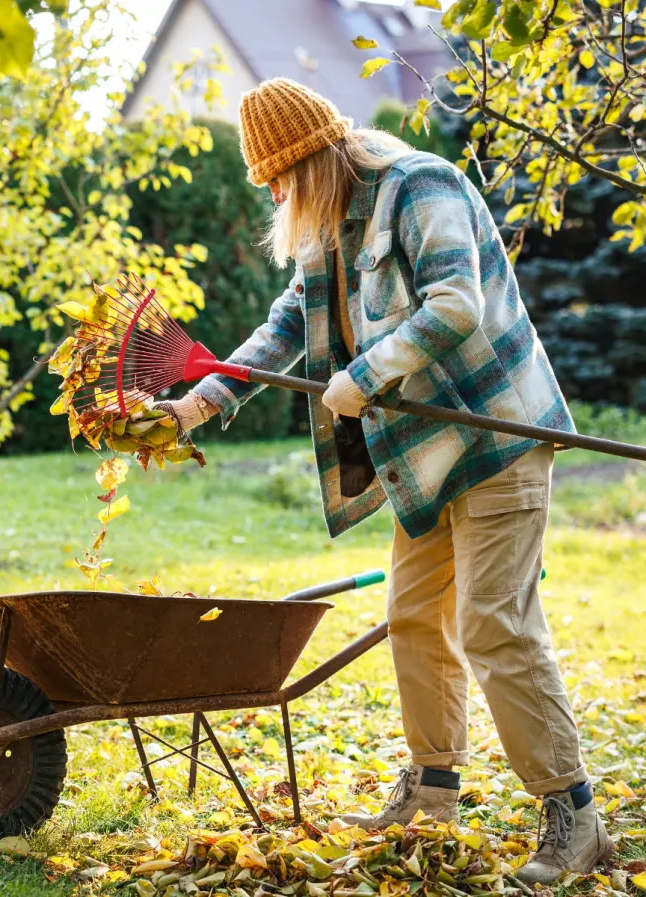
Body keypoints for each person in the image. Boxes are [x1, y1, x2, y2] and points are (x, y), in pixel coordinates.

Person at [157, 78, 610, 883]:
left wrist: (366, 372)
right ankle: (432, 790)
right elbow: (287, 326)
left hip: (498, 435)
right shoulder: (326, 228)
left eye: (278, 176)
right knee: (411, 618)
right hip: (421, 454)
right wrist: (197, 406)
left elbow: (456, 302)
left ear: (314, 157)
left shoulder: (420, 186)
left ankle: (575, 813)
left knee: (493, 625)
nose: (272, 193)